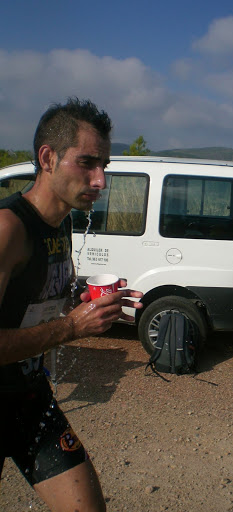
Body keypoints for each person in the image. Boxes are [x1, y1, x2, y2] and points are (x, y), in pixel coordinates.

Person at [0, 98, 143, 511]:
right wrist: (71, 328)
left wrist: (83, 302)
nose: (100, 180)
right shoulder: (8, 228)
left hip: (28, 399)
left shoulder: (60, 222)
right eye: (87, 163)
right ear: (48, 157)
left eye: (105, 167)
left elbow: (35, 298)